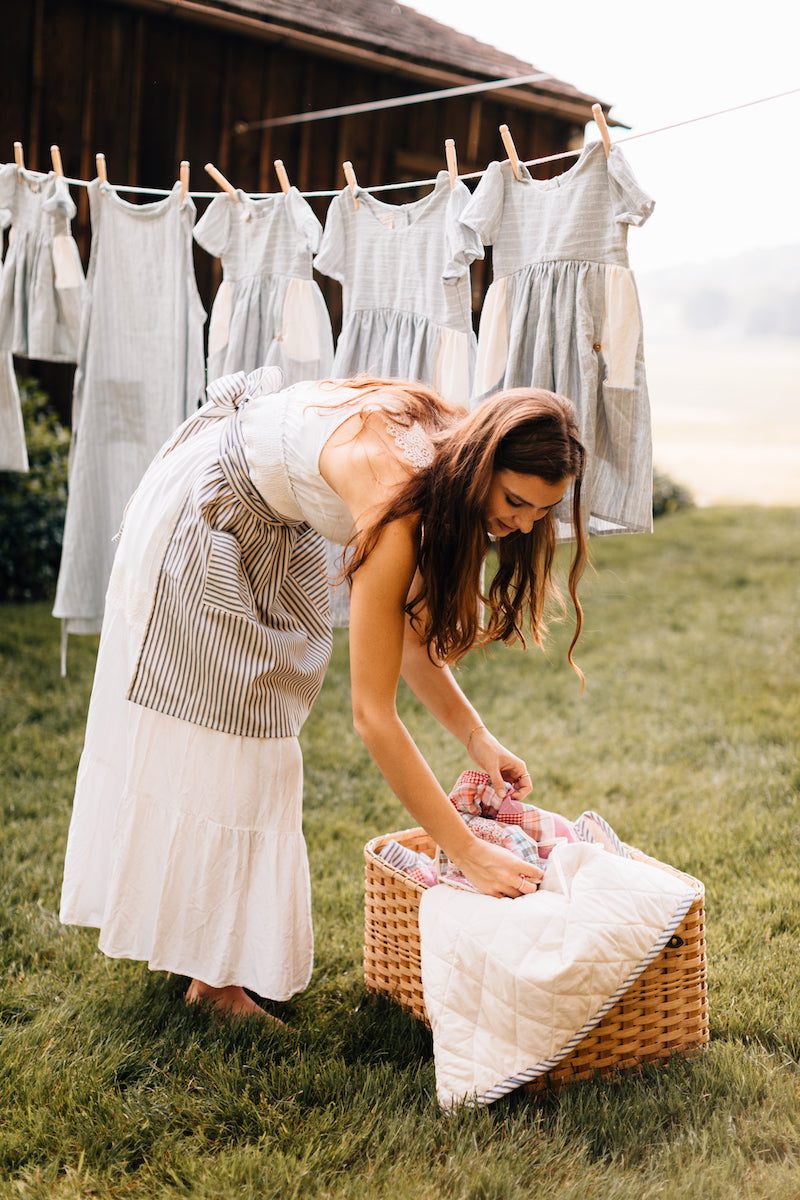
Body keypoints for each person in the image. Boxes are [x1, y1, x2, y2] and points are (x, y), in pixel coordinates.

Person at [59, 368, 588, 1019]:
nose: (523, 523)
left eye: (542, 511)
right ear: (483, 463)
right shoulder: (396, 496)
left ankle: (195, 954)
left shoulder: (444, 457)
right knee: (236, 748)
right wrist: (466, 851)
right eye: (515, 501)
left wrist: (477, 737)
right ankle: (213, 987)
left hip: (269, 526)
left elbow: (415, 644)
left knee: (247, 744)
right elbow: (372, 715)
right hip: (205, 521)